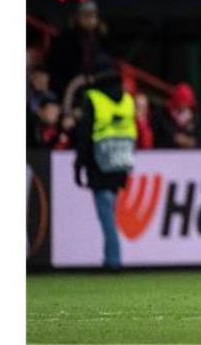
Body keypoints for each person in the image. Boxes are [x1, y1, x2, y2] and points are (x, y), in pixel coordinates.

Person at [73, 63, 135, 270]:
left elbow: (85, 134)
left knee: (106, 216)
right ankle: (111, 258)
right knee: (109, 213)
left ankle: (113, 261)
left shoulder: (94, 98)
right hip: (120, 162)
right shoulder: (127, 100)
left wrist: (78, 164)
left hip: (98, 164)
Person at [152, 83, 200, 149]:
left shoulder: (194, 117)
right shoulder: (163, 115)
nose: (184, 105)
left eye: (187, 102)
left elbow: (199, 138)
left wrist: (191, 141)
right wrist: (174, 137)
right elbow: (160, 136)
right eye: (182, 102)